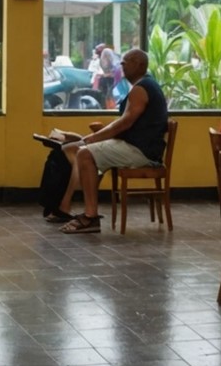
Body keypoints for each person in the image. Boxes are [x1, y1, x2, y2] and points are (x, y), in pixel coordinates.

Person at [52, 49, 169, 234]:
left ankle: (90, 217)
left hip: (141, 152)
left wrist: (93, 138)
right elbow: (127, 125)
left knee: (84, 153)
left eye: (126, 62)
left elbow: (124, 123)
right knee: (88, 152)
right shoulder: (144, 86)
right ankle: (70, 208)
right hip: (137, 147)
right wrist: (97, 137)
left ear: (139, 65)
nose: (121, 65)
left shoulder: (142, 88)